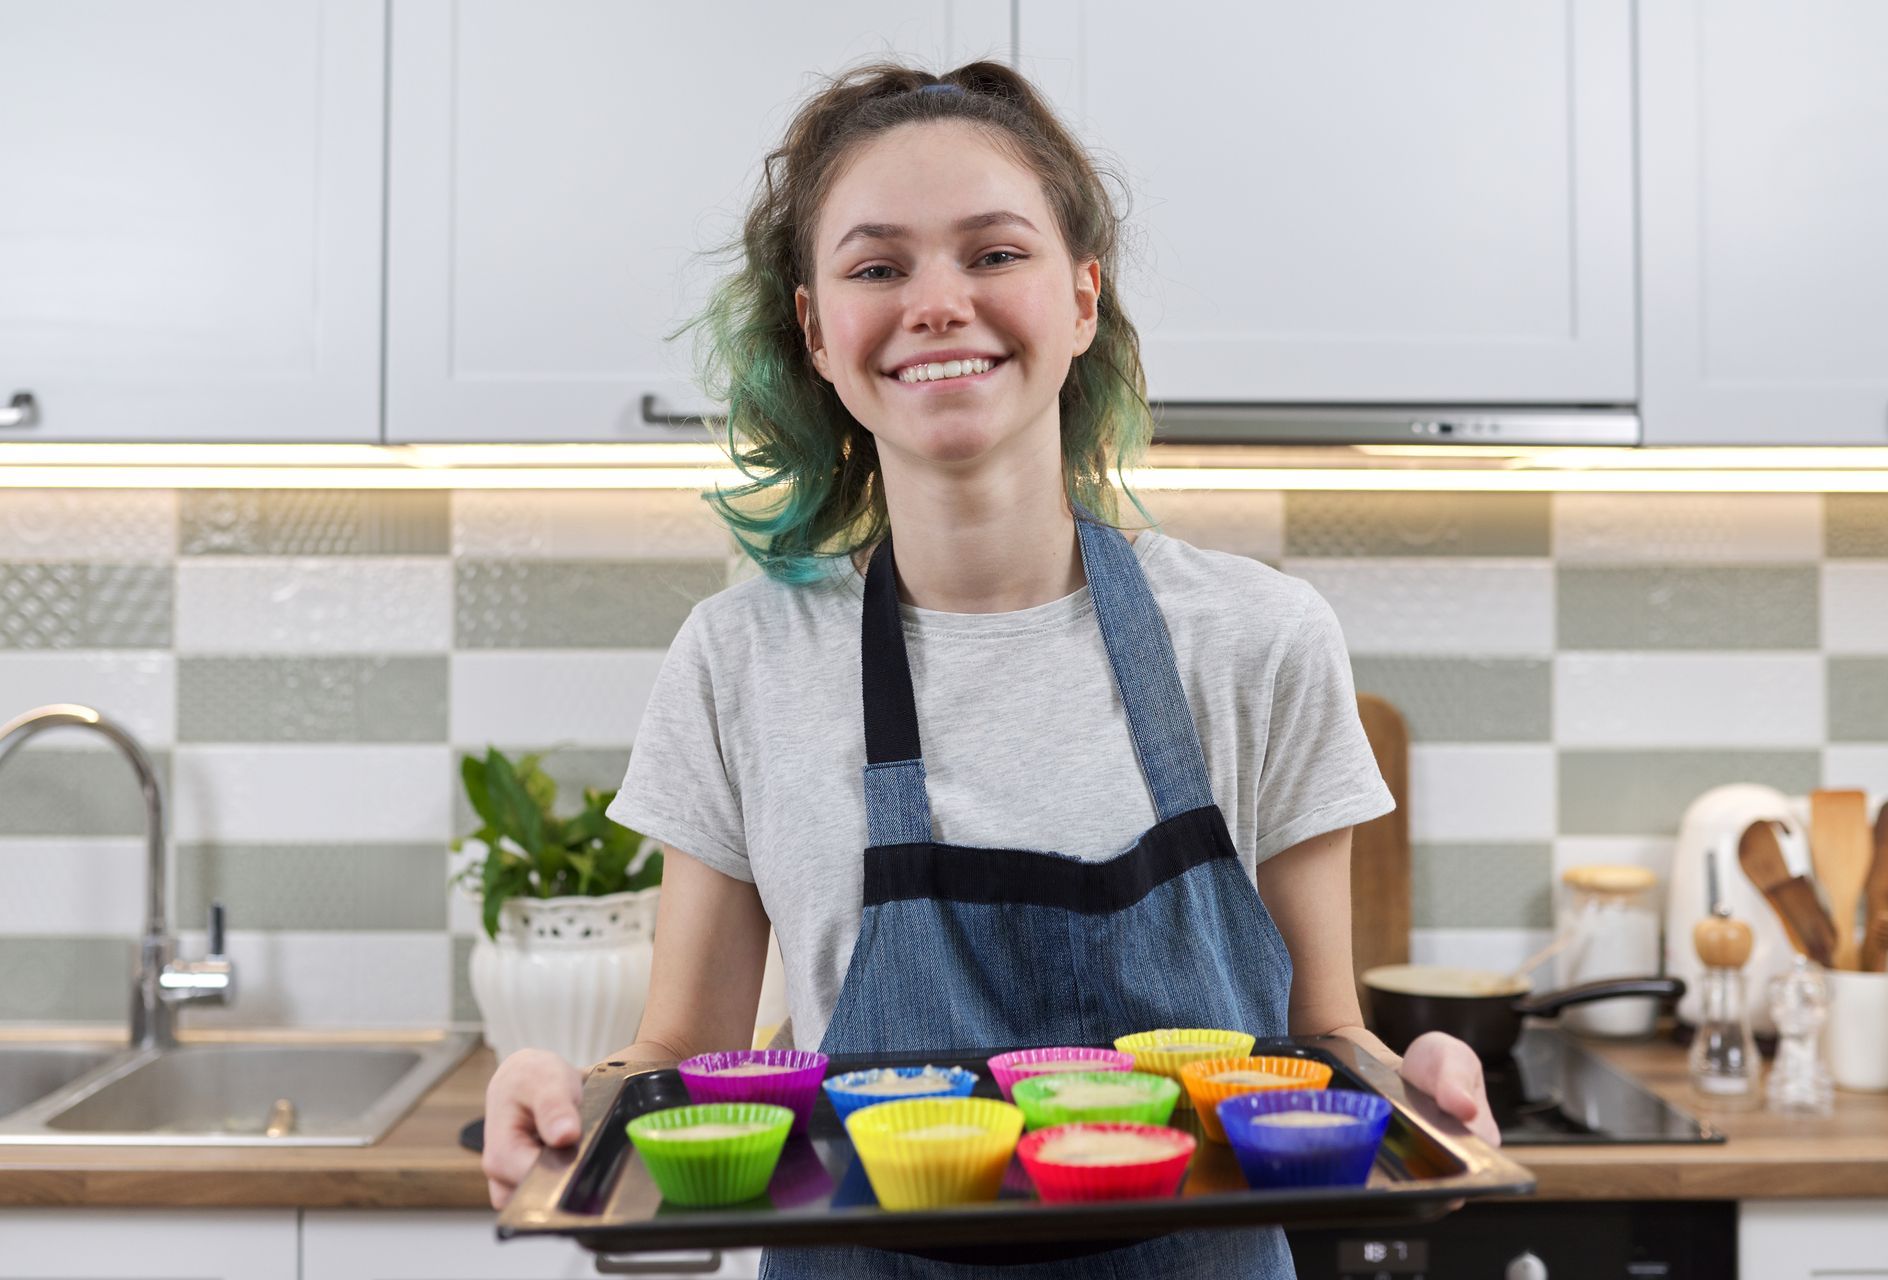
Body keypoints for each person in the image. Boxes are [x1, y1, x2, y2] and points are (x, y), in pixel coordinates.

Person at [483, 59, 1497, 1278]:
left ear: (1081, 300)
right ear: (817, 331)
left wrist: (1411, 1079)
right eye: (876, 267)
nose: (938, 303)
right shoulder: (740, 658)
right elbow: (685, 1066)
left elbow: (1320, 1040)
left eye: (993, 253)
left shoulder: (1259, 638)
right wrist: (561, 1097)